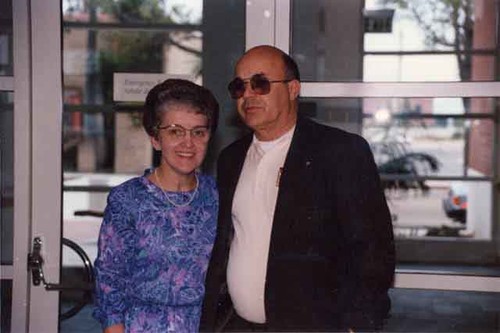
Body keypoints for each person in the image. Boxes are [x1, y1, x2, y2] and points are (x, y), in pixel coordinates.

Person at [201, 45, 395, 332]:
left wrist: (357, 326)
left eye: (260, 83)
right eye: (239, 86)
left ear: (293, 89)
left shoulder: (340, 152)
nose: (248, 94)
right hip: (238, 325)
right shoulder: (231, 158)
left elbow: (374, 252)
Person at [93, 79, 219, 333]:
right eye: (175, 131)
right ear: (155, 138)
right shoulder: (128, 199)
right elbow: (109, 282)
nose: (188, 143)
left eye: (198, 132)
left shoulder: (217, 195)